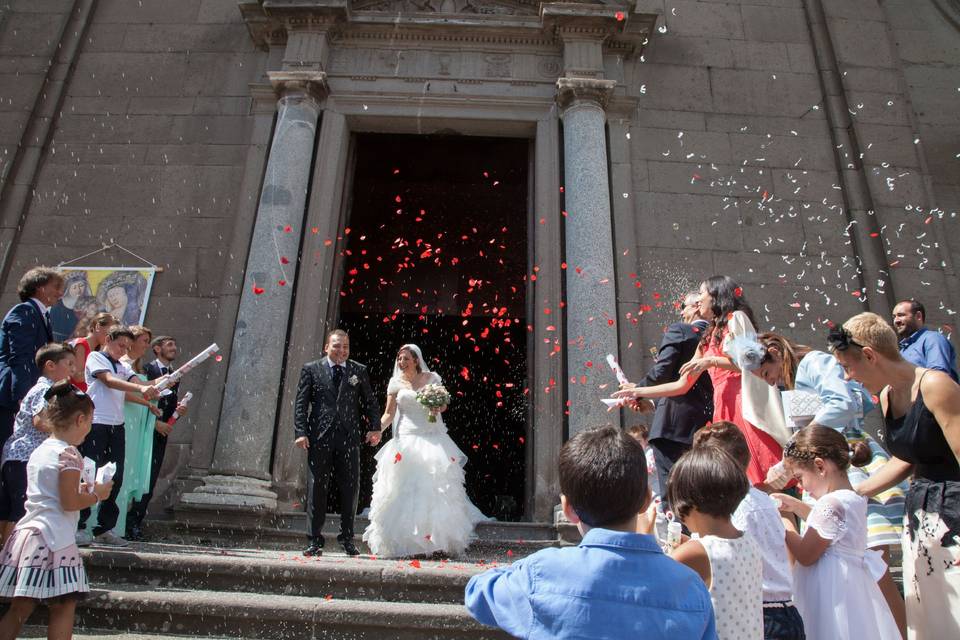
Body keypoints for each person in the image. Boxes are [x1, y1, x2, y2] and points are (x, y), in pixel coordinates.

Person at [465, 425, 717, 639]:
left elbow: (477, 593)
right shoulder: (691, 587)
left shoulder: (541, 573)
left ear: (568, 509)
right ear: (647, 500)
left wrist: (527, 567)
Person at [747, 331, 907, 634]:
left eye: (766, 372)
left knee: (874, 572)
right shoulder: (796, 377)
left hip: (844, 467)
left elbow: (843, 403)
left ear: (774, 352)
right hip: (823, 476)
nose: (768, 381)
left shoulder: (815, 362)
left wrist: (793, 452)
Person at [829, 312, 960, 639]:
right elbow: (905, 458)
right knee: (929, 613)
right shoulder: (887, 397)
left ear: (870, 355)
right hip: (920, 515)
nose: (847, 378)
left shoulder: (936, 385)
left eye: (848, 367)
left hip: (954, 515)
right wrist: (852, 495)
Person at [614, 276, 788, 485]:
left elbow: (751, 364)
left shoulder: (736, 318)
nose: (698, 301)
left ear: (716, 295)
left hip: (743, 403)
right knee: (739, 480)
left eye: (702, 294)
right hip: (722, 408)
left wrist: (711, 361)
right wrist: (637, 392)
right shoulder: (706, 337)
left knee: (765, 481)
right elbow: (681, 385)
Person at [0, 381, 111, 640]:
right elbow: (69, 502)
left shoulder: (41, 450)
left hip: (27, 534)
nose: (90, 427)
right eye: (90, 420)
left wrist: (84, 490)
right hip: (54, 538)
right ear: (80, 419)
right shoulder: (69, 454)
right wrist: (98, 494)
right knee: (63, 606)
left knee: (19, 609)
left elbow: (52, 492)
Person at [772, 425, 901, 640]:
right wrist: (795, 506)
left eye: (800, 477)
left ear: (820, 466)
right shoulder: (850, 497)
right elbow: (827, 527)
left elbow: (806, 555)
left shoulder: (832, 504)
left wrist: (782, 523)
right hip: (851, 587)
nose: (802, 487)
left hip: (832, 593)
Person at [363, 344, 488, 558]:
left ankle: (437, 543)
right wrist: (377, 431)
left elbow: (444, 405)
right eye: (399, 359)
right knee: (404, 490)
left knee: (434, 490)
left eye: (406, 359)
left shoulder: (431, 379)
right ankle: (407, 544)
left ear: (416, 360)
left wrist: (438, 407)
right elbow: (389, 414)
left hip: (431, 437)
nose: (401, 363)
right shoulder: (395, 383)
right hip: (406, 438)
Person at [692, 422, 804, 640]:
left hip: (759, 612)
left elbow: (728, 555)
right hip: (787, 608)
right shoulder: (764, 500)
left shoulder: (733, 508)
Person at [293, 329, 380, 557]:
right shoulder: (311, 369)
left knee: (350, 488)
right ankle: (314, 540)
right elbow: (301, 403)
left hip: (349, 437)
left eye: (345, 347)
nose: (341, 350)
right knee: (317, 489)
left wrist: (375, 427)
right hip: (319, 437)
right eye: (337, 346)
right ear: (326, 347)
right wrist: (300, 432)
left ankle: (347, 538)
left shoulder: (357, 370)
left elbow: (370, 401)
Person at [667, 446, 763, 640]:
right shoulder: (748, 541)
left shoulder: (698, 551)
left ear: (689, 504)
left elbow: (654, 577)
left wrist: (644, 531)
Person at [625, 291, 713, 502]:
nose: (682, 312)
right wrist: (653, 403)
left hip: (673, 431)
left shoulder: (680, 330)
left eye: (685, 306)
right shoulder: (716, 338)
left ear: (697, 307)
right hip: (705, 427)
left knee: (673, 495)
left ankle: (677, 535)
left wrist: (636, 390)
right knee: (698, 494)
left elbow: (663, 371)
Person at [75, 326, 158, 548]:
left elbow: (137, 385)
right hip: (97, 424)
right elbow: (110, 381)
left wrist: (160, 384)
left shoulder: (122, 365)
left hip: (116, 426)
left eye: (126, 348)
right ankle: (80, 525)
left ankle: (104, 528)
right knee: (89, 473)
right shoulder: (96, 357)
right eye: (120, 345)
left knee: (115, 477)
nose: (123, 351)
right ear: (109, 339)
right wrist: (141, 390)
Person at [0, 344, 75, 546]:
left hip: (15, 456)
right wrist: (67, 430)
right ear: (50, 365)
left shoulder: (41, 388)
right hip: (26, 456)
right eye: (69, 364)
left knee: (9, 511)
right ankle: (11, 563)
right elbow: (40, 421)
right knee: (19, 513)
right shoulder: (46, 389)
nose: (72, 370)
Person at [126, 334, 186, 541]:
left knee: (149, 481)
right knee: (136, 476)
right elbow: (138, 399)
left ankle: (135, 524)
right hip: (143, 429)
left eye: (175, 344)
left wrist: (176, 414)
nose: (174, 348)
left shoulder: (174, 375)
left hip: (160, 434)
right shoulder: (147, 371)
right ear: (156, 349)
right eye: (169, 344)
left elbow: (166, 405)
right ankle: (125, 524)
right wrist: (154, 423)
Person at [106, 326, 162, 540]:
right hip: (125, 418)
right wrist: (147, 400)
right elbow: (125, 393)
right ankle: (106, 526)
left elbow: (144, 389)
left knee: (128, 472)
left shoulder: (135, 368)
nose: (146, 345)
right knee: (119, 469)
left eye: (148, 341)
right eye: (144, 340)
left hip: (136, 421)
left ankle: (116, 527)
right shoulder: (121, 365)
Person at [0, 268, 63, 451]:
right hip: (10, 395)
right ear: (41, 288)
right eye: (56, 287)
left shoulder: (41, 314)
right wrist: (24, 396)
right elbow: (20, 357)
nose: (60, 293)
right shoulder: (24, 311)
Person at [892, 300, 957, 381]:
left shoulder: (932, 339)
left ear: (918, 316)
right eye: (894, 317)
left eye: (901, 315)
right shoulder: (903, 351)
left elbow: (938, 376)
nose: (896, 321)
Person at [68, 312, 116, 392]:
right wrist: (99, 371)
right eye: (109, 333)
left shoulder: (97, 350)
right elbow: (77, 377)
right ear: (97, 327)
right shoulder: (82, 344)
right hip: (72, 396)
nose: (110, 338)